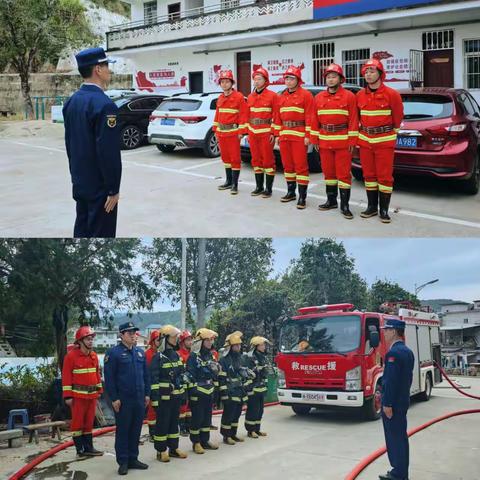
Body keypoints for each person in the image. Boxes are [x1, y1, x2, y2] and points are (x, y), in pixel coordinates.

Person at [63, 47, 122, 238]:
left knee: (81, 230)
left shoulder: (71, 102)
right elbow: (108, 152)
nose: (109, 71)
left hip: (80, 182)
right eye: (106, 66)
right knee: (101, 234)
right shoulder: (105, 105)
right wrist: (113, 189)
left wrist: (76, 177)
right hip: (100, 189)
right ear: (98, 69)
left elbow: (70, 145)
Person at [356, 58, 404, 223]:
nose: (368, 75)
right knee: (368, 175)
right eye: (366, 72)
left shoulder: (392, 94)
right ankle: (371, 207)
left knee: (384, 177)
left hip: (384, 140)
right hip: (365, 140)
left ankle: (384, 210)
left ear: (380, 74)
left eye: (372, 71)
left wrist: (391, 135)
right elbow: (357, 118)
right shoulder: (360, 95)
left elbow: (397, 118)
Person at [311, 63, 358, 219]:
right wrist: (314, 139)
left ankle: (345, 205)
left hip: (343, 142)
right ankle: (331, 201)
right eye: (328, 77)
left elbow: (353, 120)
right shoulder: (318, 98)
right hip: (324, 141)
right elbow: (314, 120)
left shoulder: (349, 97)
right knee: (328, 173)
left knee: (343, 174)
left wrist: (352, 141)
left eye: (334, 77)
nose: (330, 80)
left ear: (340, 79)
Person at [104, 322, 150, 476]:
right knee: (123, 431)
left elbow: (146, 376)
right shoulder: (113, 353)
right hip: (123, 401)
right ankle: (123, 461)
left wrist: (147, 394)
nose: (132, 335)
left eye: (134, 332)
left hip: (139, 399)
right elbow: (109, 379)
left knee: (136, 430)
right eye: (129, 332)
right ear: (121, 335)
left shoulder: (140, 353)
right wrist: (114, 398)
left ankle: (133, 459)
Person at [273, 66, 315, 209]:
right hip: (285, 135)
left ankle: (302, 197)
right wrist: (277, 134)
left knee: (301, 167)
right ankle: (291, 192)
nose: (289, 81)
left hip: (299, 135)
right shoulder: (281, 96)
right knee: (288, 166)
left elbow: (310, 116)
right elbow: (277, 117)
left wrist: (308, 135)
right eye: (287, 78)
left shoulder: (306, 95)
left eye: (292, 78)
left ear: (298, 80)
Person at [379, 319, 415, 480]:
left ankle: (398, 474)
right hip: (402, 402)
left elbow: (391, 381)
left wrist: (387, 403)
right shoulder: (407, 351)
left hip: (393, 405)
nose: (384, 333)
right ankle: (401, 472)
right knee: (400, 438)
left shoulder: (393, 353)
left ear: (393, 331)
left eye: (386, 330)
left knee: (395, 439)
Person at [62, 326, 103, 458]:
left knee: (89, 423)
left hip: (92, 396)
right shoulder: (71, 357)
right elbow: (66, 377)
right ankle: (80, 450)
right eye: (88, 339)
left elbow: (97, 374)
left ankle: (89, 448)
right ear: (80, 341)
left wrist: (99, 390)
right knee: (77, 423)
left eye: (92, 339)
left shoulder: (94, 356)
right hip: (77, 397)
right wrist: (68, 396)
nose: (91, 341)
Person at [150, 325, 188, 462]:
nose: (177, 339)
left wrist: (183, 395)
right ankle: (161, 451)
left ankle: (173, 449)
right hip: (164, 399)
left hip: (176, 397)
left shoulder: (176, 356)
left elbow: (182, 377)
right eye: (173, 337)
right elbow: (153, 382)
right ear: (165, 339)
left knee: (173, 424)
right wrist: (155, 401)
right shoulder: (158, 358)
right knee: (162, 424)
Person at [213, 70, 248, 194]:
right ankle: (228, 181)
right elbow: (217, 115)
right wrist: (215, 130)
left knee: (235, 158)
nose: (224, 84)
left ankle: (235, 184)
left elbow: (244, 115)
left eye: (227, 81)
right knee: (225, 158)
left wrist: (241, 131)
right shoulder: (220, 97)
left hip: (233, 132)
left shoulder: (238, 97)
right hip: (222, 133)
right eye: (222, 82)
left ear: (231, 83)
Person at [186, 328, 220, 454]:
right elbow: (190, 375)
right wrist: (193, 393)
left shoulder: (210, 355)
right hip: (198, 393)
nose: (210, 342)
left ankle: (205, 441)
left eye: (211, 339)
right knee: (197, 418)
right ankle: (196, 443)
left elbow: (214, 374)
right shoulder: (193, 356)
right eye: (207, 340)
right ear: (200, 341)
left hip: (209, 390)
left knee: (207, 418)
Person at [246, 67, 278, 198]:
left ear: (266, 81)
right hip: (253, 132)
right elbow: (248, 115)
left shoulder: (272, 96)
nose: (257, 81)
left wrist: (273, 133)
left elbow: (276, 115)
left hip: (266, 132)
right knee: (256, 160)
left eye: (260, 79)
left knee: (268, 161)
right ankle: (259, 187)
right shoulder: (250, 96)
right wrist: (248, 132)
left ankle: (268, 189)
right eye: (255, 79)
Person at [219, 331, 252, 445]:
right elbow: (221, 378)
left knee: (236, 413)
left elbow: (241, 372)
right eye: (236, 345)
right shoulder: (224, 360)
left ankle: (233, 433)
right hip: (229, 391)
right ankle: (226, 436)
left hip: (239, 390)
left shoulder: (239, 358)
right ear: (230, 346)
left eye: (239, 345)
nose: (238, 347)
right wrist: (224, 394)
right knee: (228, 414)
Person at [243, 336, 272, 438]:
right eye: (262, 345)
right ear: (256, 346)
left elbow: (265, 372)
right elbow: (248, 373)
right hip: (253, 388)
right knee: (253, 410)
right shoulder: (250, 357)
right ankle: (250, 431)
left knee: (260, 410)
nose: (264, 347)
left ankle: (257, 429)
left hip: (261, 387)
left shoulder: (263, 356)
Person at [145, 330, 160, 441]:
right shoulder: (148, 354)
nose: (160, 342)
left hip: (161, 386)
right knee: (152, 410)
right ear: (153, 341)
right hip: (151, 386)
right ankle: (152, 432)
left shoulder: (161, 353)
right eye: (158, 340)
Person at [178, 330, 193, 437]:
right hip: (182, 385)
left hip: (192, 384)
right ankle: (182, 428)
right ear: (182, 342)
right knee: (183, 407)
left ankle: (188, 426)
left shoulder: (192, 354)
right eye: (188, 339)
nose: (190, 342)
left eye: (191, 339)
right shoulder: (178, 354)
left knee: (190, 406)